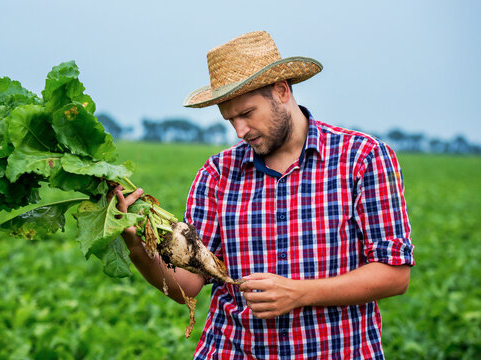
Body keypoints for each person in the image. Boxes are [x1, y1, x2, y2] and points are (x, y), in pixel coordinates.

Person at [116, 31, 414, 359]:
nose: (240, 131)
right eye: (230, 120)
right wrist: (137, 247)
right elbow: (187, 285)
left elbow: (394, 273)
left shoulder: (362, 158)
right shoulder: (216, 174)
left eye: (247, 113)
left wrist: (299, 293)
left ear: (282, 91)